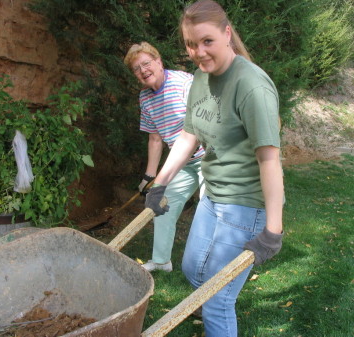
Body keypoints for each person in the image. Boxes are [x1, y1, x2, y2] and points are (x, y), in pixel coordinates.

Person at [144, 0, 284, 336]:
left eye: (207, 41)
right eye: (191, 44)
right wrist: (160, 183)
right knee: (194, 271)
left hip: (245, 205)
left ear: (226, 33)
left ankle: (216, 319)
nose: (199, 52)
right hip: (212, 196)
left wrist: (273, 230)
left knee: (217, 297)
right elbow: (189, 135)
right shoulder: (201, 79)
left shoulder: (252, 86)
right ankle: (213, 316)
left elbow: (270, 160)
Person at [124, 42, 205, 272]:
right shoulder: (146, 98)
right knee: (163, 205)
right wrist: (149, 177)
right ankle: (161, 262)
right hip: (183, 164)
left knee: (213, 209)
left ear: (159, 62)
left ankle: (215, 264)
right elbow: (155, 139)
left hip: (210, 157)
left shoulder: (184, 83)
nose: (143, 70)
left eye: (146, 63)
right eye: (136, 68)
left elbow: (198, 131)